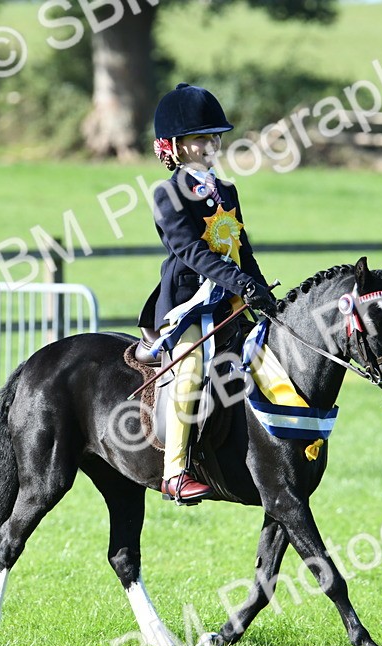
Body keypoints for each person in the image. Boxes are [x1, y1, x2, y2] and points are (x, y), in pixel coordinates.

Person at [138, 83, 278, 503]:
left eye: (214, 137)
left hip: (232, 299)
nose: (210, 145)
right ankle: (175, 472)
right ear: (175, 146)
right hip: (189, 302)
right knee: (191, 370)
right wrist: (240, 283)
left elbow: (241, 248)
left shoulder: (227, 190)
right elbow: (191, 252)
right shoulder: (168, 194)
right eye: (200, 138)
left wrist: (260, 290)